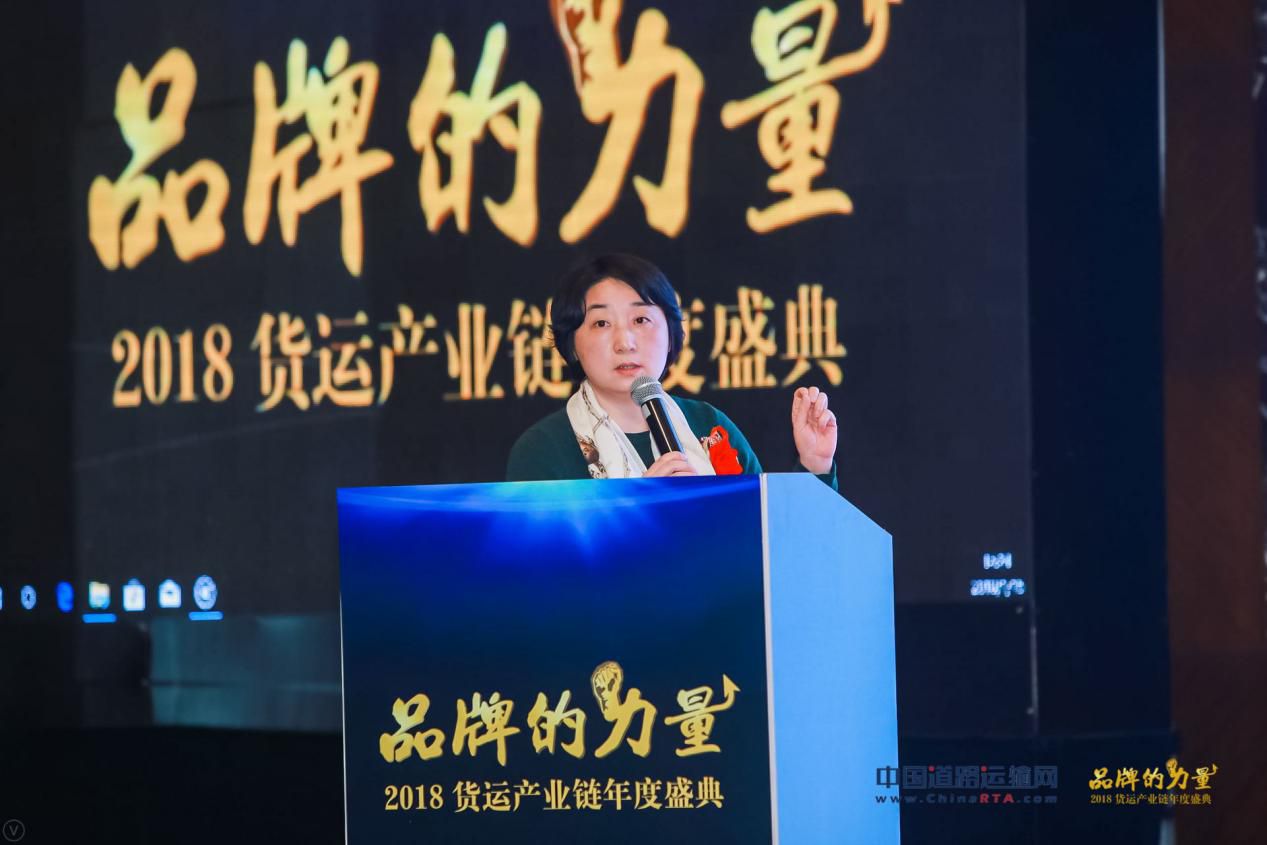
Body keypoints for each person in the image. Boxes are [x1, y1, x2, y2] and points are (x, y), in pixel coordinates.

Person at [505, 254, 838, 486]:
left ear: (671, 335)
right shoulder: (543, 449)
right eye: (601, 323)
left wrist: (814, 465)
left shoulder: (708, 424)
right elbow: (543, 562)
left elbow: (769, 538)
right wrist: (643, 510)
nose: (625, 342)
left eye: (641, 319)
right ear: (571, 343)